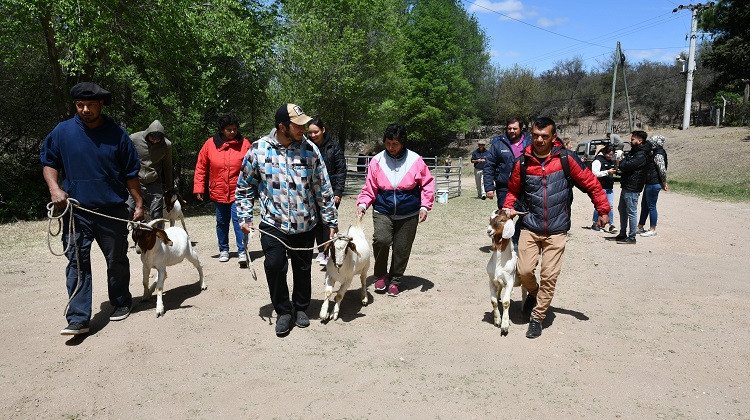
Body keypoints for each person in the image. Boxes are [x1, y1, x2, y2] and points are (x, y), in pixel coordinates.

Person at [40, 82, 143, 335]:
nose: (85, 109)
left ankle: (120, 302)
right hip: (75, 212)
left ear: (101, 105)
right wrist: (54, 189)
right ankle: (78, 317)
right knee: (76, 262)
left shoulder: (118, 134)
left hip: (111, 211)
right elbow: (49, 162)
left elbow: (131, 173)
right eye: (79, 105)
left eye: (90, 105)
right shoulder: (62, 132)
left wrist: (138, 202)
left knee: (116, 260)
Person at [236, 104, 338, 337]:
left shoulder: (310, 150)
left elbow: (323, 188)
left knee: (302, 267)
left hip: (305, 222)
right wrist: (244, 217)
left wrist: (331, 221)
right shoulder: (258, 150)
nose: (304, 128)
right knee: (273, 266)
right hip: (273, 223)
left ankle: (301, 308)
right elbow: (244, 187)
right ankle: (283, 310)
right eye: (298, 124)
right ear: (282, 127)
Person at [503, 117, 610, 339]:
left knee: (549, 275)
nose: (539, 140)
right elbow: (513, 190)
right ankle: (533, 293)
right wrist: (507, 207)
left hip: (557, 228)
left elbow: (590, 182)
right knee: (523, 272)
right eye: (535, 135)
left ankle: (537, 318)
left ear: (553, 137)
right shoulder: (522, 162)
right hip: (530, 226)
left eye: (544, 136)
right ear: (530, 135)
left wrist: (603, 209)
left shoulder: (566, 159)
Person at [356, 124, 434, 297]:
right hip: (383, 209)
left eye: (395, 144)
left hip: (409, 212)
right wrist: (363, 204)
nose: (391, 147)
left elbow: (427, 184)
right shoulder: (376, 160)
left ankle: (396, 279)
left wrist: (424, 206)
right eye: (388, 143)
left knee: (402, 248)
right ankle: (381, 275)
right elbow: (370, 187)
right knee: (381, 240)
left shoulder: (415, 160)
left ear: (403, 143)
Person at [194, 114, 251, 266]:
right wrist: (199, 188)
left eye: (234, 129)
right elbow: (201, 166)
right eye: (228, 129)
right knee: (221, 222)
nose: (232, 132)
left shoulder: (244, 144)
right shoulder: (210, 144)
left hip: (239, 191)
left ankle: (242, 251)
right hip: (218, 190)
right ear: (222, 130)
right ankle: (224, 249)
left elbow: (254, 166)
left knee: (240, 221)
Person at [308, 117, 346, 266]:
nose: (313, 135)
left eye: (316, 132)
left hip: (330, 191)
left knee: (328, 221)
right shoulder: (307, 147)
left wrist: (338, 191)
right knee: (316, 221)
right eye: (310, 132)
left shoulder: (334, 147)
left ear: (323, 130)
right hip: (312, 191)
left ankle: (328, 250)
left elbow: (341, 170)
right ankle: (321, 250)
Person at [127, 120, 173, 225]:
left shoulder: (167, 145)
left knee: (156, 215)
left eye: (158, 139)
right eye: (153, 138)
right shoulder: (134, 138)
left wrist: (170, 187)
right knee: (128, 211)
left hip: (154, 182)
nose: (155, 141)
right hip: (136, 182)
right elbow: (124, 158)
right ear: (148, 134)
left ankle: (159, 238)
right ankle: (123, 238)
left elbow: (168, 166)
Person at [609, 130, 650, 244]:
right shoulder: (634, 151)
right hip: (627, 184)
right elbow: (625, 162)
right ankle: (622, 234)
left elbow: (627, 165)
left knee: (631, 211)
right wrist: (623, 161)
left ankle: (632, 237)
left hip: (633, 186)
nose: (630, 141)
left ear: (640, 140)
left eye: (633, 139)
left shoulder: (641, 154)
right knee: (622, 209)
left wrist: (621, 162)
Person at [484, 117, 532, 209]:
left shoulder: (530, 142)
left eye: (515, 128)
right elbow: (489, 165)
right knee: (504, 219)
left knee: (527, 218)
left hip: (526, 187)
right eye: (509, 128)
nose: (512, 131)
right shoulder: (498, 143)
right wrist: (489, 187)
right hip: (504, 188)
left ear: (521, 129)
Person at [638, 135, 668, 237]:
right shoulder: (654, 153)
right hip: (650, 182)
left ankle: (652, 229)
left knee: (651, 206)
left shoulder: (658, 154)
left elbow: (662, 170)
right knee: (644, 205)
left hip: (654, 183)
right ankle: (640, 227)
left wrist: (664, 182)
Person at [590, 145, 618, 233]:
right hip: (600, 187)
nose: (610, 156)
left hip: (609, 187)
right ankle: (595, 223)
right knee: (599, 206)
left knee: (610, 206)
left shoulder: (610, 161)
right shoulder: (598, 161)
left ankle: (611, 225)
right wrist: (607, 172)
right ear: (605, 152)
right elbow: (594, 174)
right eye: (609, 154)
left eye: (612, 155)